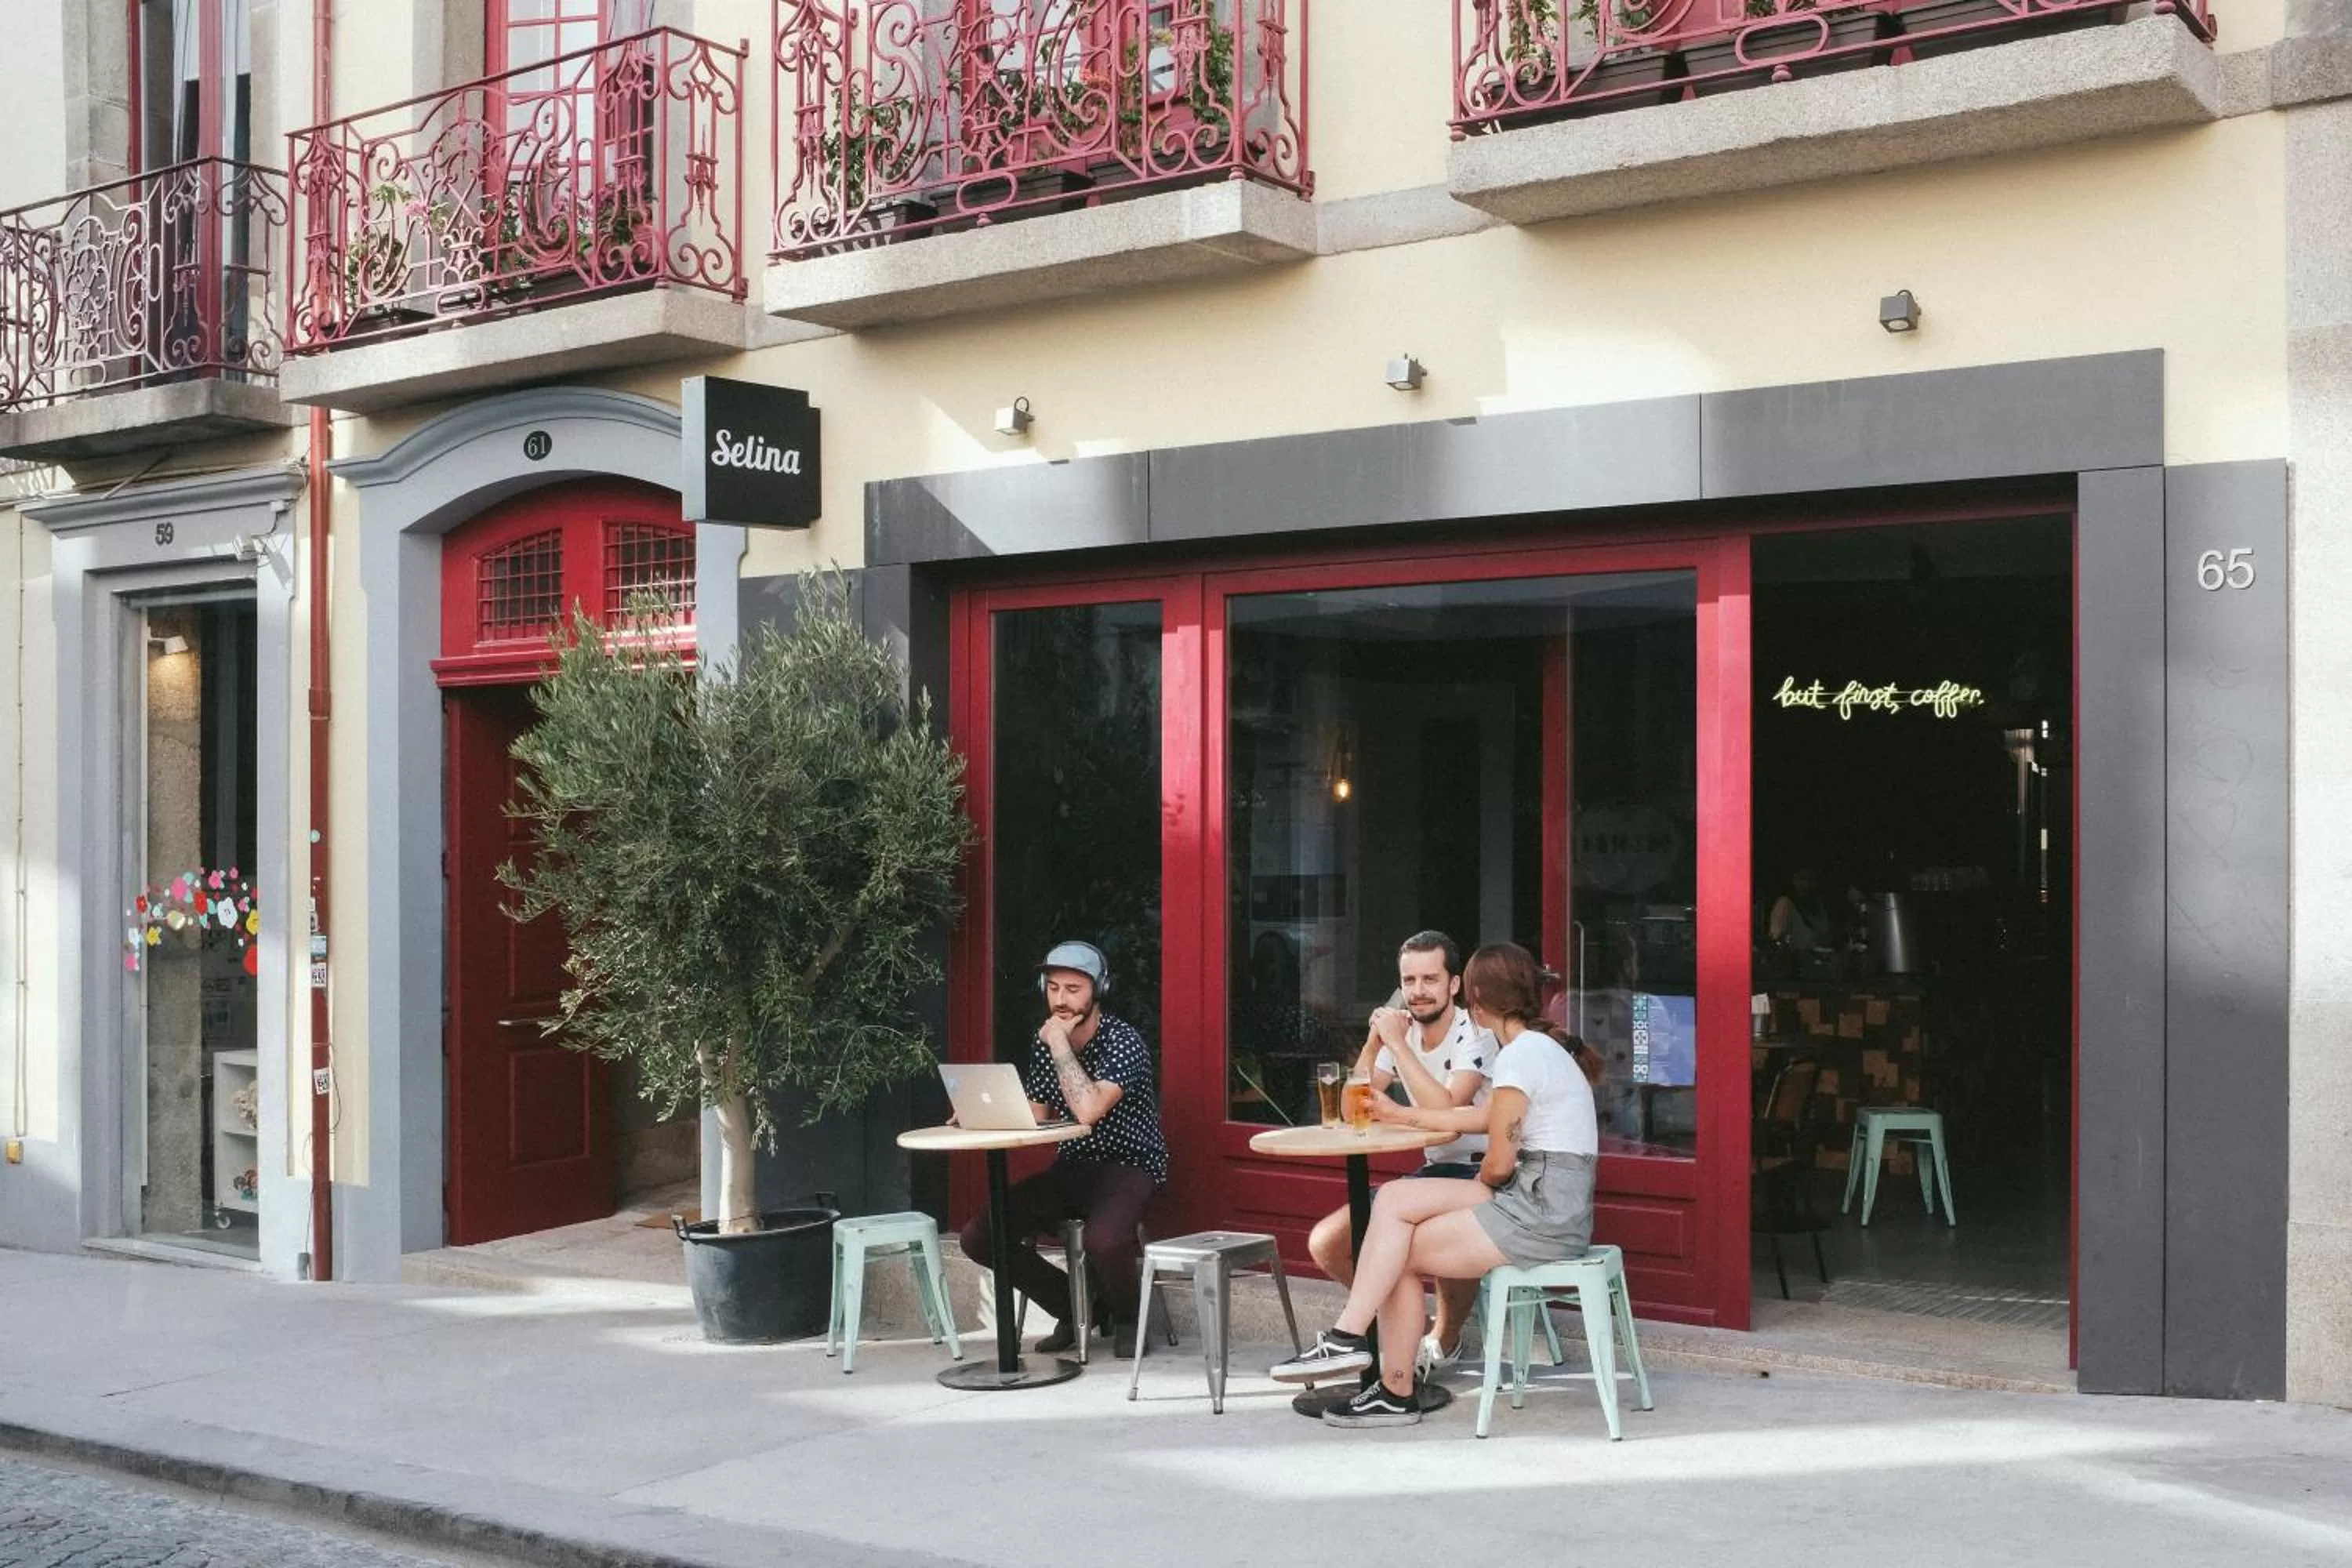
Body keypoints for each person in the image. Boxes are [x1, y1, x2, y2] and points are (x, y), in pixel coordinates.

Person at [1269, 942, 1604, 1427]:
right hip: (1539, 1194)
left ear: (1479, 998)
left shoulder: (1518, 1057)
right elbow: (1479, 1117)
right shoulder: (1533, 1049)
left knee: (1393, 1252)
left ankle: (1380, 1375)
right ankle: (1358, 1353)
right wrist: (1400, 1112)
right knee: (1396, 1209)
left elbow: (1496, 1161)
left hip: (1542, 1211)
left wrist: (1483, 1188)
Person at [956, 940, 1169, 1359]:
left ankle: (1128, 1318)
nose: (1060, 1000)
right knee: (980, 1237)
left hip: (1131, 1165)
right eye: (1053, 988)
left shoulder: (1123, 1043)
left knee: (1104, 1240)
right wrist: (980, 1111)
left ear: (1098, 990)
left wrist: (1059, 1045)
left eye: (1073, 989)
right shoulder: (1045, 1044)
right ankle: (1076, 1308)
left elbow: (1088, 1109)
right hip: (1073, 1165)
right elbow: (1037, 1113)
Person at [1305, 931, 1494, 1378]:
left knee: (1434, 1240)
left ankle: (1444, 1343)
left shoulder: (1476, 1035)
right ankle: (1418, 1329)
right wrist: (1376, 1040)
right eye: (1409, 981)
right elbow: (1357, 1103)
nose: (1418, 991)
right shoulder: (1400, 1034)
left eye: (1430, 979)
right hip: (1432, 1172)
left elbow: (1446, 1110)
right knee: (1327, 1243)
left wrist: (1399, 1045)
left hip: (1483, 1173)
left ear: (1453, 985)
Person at [1768, 868, 1837, 951]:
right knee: (1783, 903)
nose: (1801, 884)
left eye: (1804, 879)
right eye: (1797, 879)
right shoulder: (1790, 902)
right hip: (1800, 949)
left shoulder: (1822, 901)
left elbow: (1827, 933)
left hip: (1820, 948)